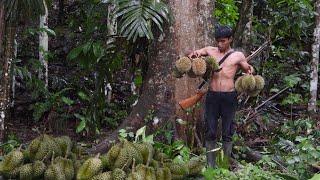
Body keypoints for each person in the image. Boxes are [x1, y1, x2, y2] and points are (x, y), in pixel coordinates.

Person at [188, 25, 254, 168]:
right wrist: (194, 55)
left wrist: (250, 71)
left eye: (223, 41)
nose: (220, 44)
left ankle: (223, 166)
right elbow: (198, 52)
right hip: (212, 97)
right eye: (218, 41)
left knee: (227, 131)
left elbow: (247, 67)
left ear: (230, 39)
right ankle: (210, 166)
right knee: (210, 130)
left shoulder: (237, 56)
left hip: (229, 97)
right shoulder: (210, 51)